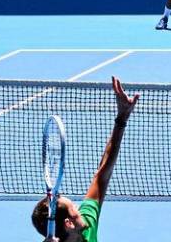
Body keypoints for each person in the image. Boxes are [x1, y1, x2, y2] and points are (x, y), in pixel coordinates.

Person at [31, 76, 139, 241]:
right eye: (74, 208)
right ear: (69, 223)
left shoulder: (86, 224)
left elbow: (101, 176)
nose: (79, 208)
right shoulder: (82, 226)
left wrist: (121, 119)